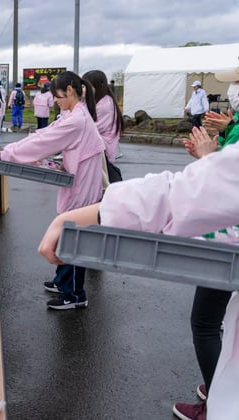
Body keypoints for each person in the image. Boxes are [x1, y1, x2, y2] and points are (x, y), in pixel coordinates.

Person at [37, 131, 239, 420]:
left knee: (204, 324)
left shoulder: (80, 120)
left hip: (223, 241)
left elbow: (196, 192)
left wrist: (84, 216)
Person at [0, 71, 105, 310]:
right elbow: (43, 134)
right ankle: (64, 281)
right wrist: (12, 149)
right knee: (67, 229)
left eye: (58, 96)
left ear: (71, 91)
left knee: (72, 234)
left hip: (82, 184)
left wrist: (7, 153)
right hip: (79, 179)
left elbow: (43, 143)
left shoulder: (76, 120)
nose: (55, 101)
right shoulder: (72, 113)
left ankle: (74, 294)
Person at [170, 66, 239, 420]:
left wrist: (209, 158)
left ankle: (218, 404)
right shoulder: (236, 123)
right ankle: (223, 385)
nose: (232, 90)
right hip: (226, 233)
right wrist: (211, 151)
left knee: (205, 323)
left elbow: (229, 187)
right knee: (224, 322)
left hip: (229, 240)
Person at [82, 70, 124, 164]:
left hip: (101, 153)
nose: (84, 89)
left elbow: (90, 129)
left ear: (99, 86)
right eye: (83, 86)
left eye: (88, 86)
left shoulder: (105, 105)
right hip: (95, 150)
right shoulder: (94, 100)